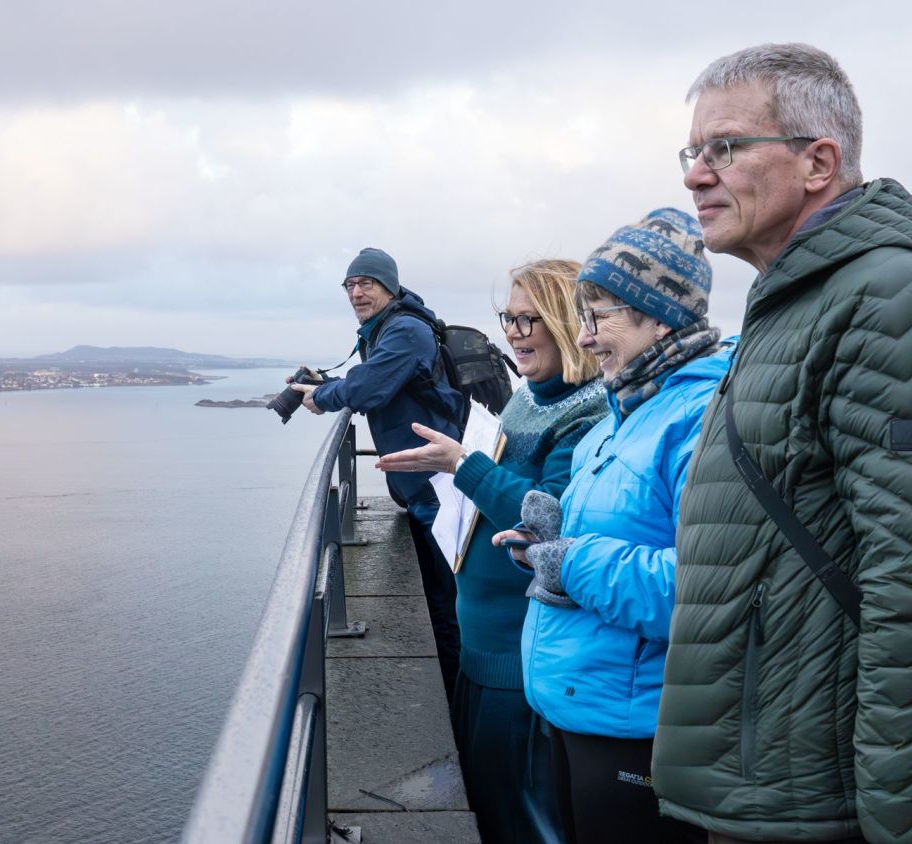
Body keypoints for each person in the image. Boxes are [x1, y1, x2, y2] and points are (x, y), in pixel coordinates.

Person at [651, 44, 912, 844]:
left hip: (812, 797)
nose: (697, 175)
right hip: (760, 776)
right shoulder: (798, 295)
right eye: (692, 153)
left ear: (818, 162)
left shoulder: (886, 295)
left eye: (724, 149)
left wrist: (900, 823)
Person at [493, 208, 727, 843]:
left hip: (638, 729)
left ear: (661, 316)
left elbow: (705, 591)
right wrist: (544, 543)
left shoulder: (702, 418)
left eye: (600, 317)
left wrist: (569, 563)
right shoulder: (621, 411)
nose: (587, 337)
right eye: (582, 317)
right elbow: (619, 532)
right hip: (578, 706)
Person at [375, 259, 608, 843]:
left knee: (521, 823)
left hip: (518, 663)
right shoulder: (527, 398)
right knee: (484, 809)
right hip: (481, 656)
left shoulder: (586, 412)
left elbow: (548, 512)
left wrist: (463, 465)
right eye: (510, 317)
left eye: (532, 318)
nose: (515, 332)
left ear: (569, 322)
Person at [290, 247, 466, 696]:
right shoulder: (384, 328)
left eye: (366, 283)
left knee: (448, 603)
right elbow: (371, 382)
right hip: (420, 484)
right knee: (438, 595)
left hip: (436, 486)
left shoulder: (405, 329)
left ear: (389, 285)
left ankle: (455, 696)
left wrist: (322, 396)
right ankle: (453, 686)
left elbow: (368, 387)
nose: (356, 292)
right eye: (349, 285)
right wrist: (331, 386)